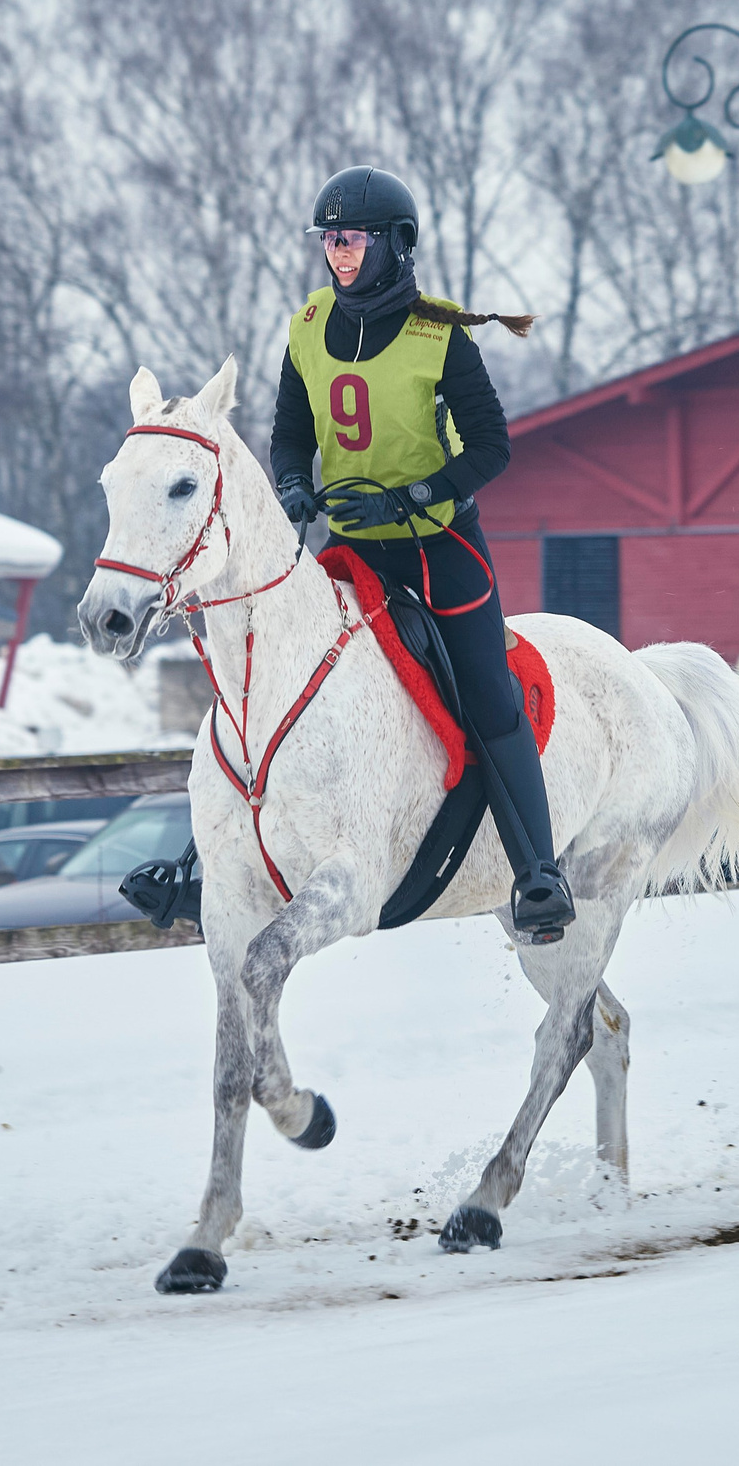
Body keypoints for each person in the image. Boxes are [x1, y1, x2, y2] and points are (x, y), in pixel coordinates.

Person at [268, 165, 575, 944]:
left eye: (351, 240)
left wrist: (410, 498)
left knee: (488, 697)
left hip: (438, 550)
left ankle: (539, 876)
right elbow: (290, 431)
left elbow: (493, 447)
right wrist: (296, 484)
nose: (338, 254)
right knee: (270, 673)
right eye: (329, 240)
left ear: (395, 246)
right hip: (348, 548)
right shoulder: (306, 324)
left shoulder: (441, 333)